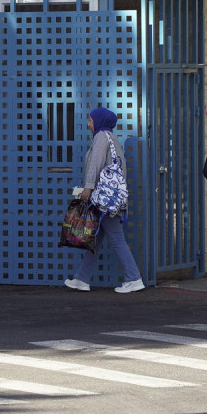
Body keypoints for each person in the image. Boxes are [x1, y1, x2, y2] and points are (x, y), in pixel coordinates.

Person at [63, 106, 145, 294]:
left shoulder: (101, 137)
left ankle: (134, 278)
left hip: (105, 201)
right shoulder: (112, 139)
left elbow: (95, 163)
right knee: (96, 239)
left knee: (116, 239)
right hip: (110, 199)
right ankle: (81, 278)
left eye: (91, 120)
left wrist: (88, 187)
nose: (88, 124)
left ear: (99, 121)